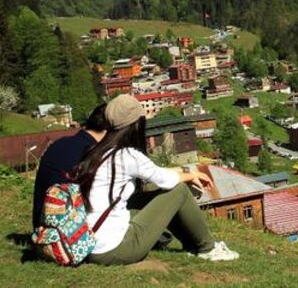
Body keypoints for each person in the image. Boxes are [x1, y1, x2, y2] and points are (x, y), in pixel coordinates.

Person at [76, 94, 238, 264]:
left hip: (90, 244)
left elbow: (154, 175)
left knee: (153, 195)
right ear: (136, 124)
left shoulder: (95, 152)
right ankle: (208, 248)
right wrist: (191, 175)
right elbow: (166, 180)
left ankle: (194, 246)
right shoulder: (126, 156)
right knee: (178, 190)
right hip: (117, 249)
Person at [32, 103, 109, 228]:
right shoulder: (93, 154)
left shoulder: (59, 144)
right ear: (109, 131)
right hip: (73, 238)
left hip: (43, 232)